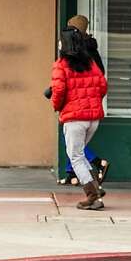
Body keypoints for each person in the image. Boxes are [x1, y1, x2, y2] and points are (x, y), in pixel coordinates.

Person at [50, 26, 108, 210]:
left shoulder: (61, 65)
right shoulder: (90, 62)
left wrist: (56, 106)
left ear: (64, 44)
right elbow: (103, 86)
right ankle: (96, 188)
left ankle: (92, 196)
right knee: (80, 154)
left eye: (60, 41)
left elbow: (58, 91)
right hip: (93, 119)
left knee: (74, 156)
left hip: (74, 118)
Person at [65, 14, 109, 184]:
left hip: (76, 103)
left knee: (73, 143)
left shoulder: (75, 50)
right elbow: (102, 81)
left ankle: (96, 166)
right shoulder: (92, 49)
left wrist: (58, 102)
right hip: (92, 104)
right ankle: (72, 174)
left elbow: (62, 81)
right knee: (75, 142)